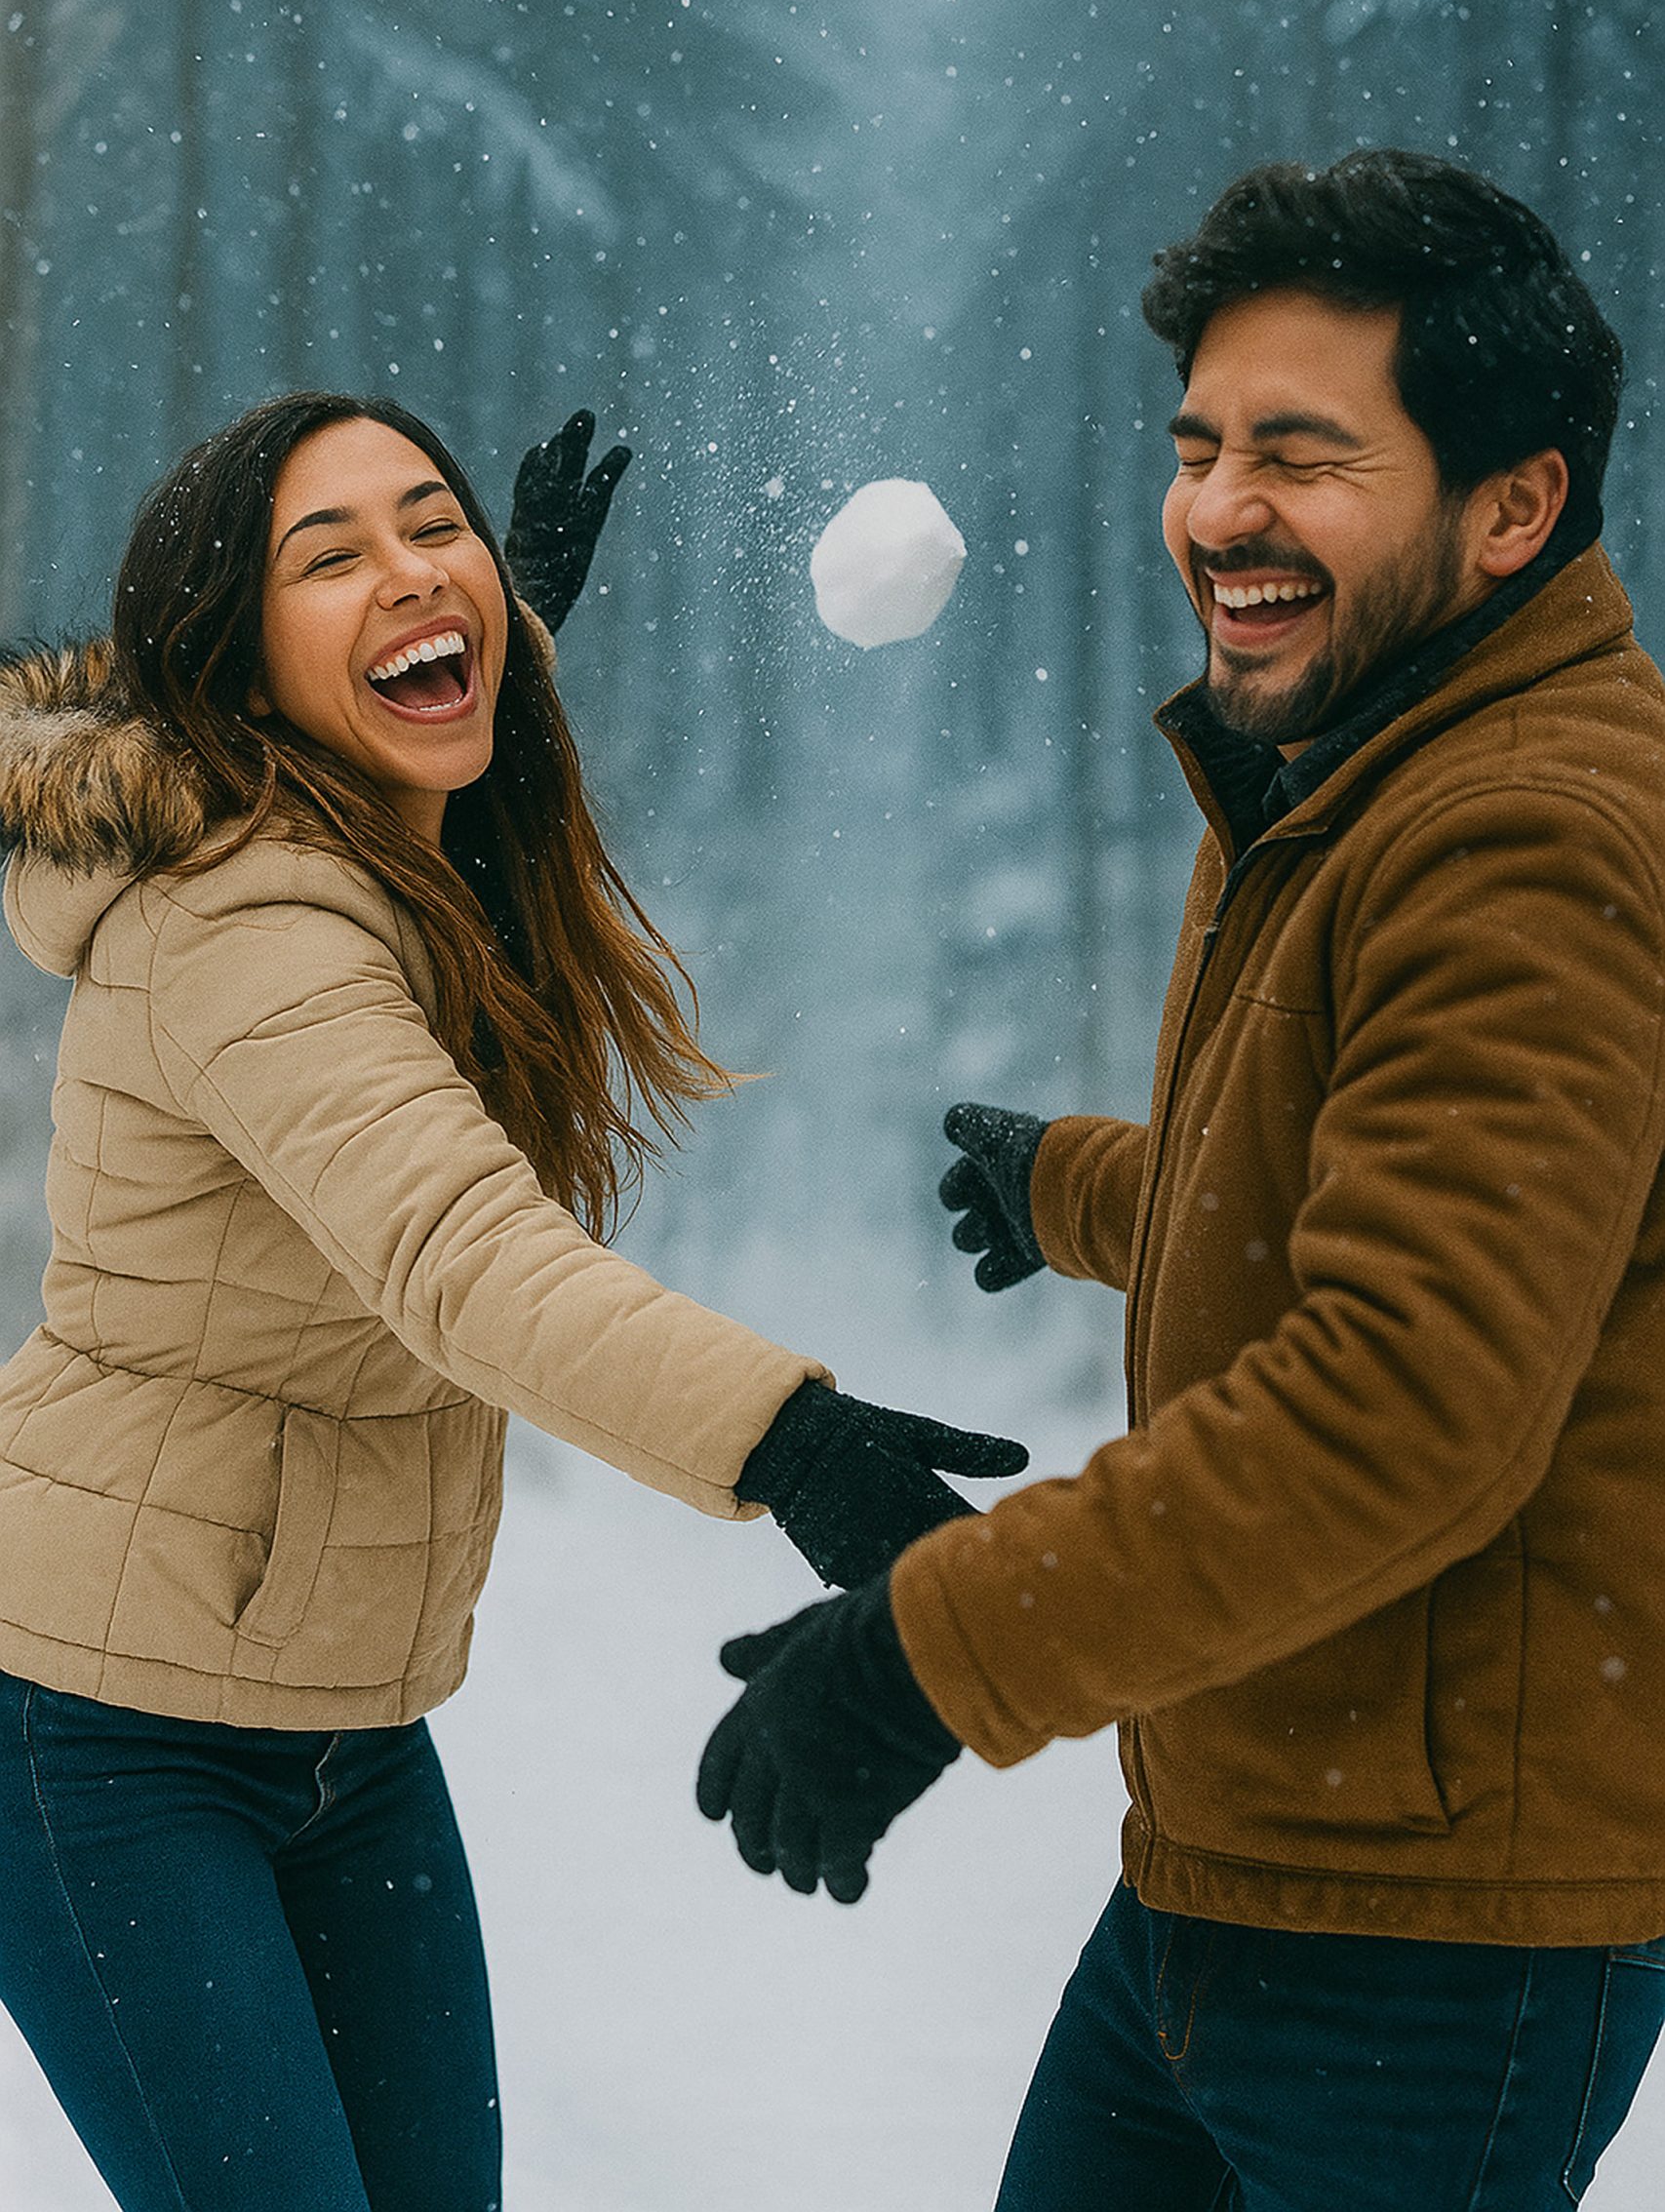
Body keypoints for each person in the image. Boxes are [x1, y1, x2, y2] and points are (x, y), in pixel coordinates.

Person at [696, 149, 1665, 2208]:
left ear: (1512, 506)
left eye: (1304, 456)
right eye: (1201, 445)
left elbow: (1401, 1402)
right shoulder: (1369, 766)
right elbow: (1356, 1190)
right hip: (1235, 1862)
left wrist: (924, 1652)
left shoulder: (1526, 833)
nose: (1218, 508)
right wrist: (1078, 1188)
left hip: (1429, 1949)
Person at [0, 388, 1026, 2212]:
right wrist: (800, 1446)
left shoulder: (364, 845)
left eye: (432, 523)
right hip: (105, 1736)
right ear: (233, 664)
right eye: (332, 555)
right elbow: (461, 1257)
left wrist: (500, 630)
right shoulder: (247, 928)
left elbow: (374, 742)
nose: (412, 568)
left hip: (344, 1732)